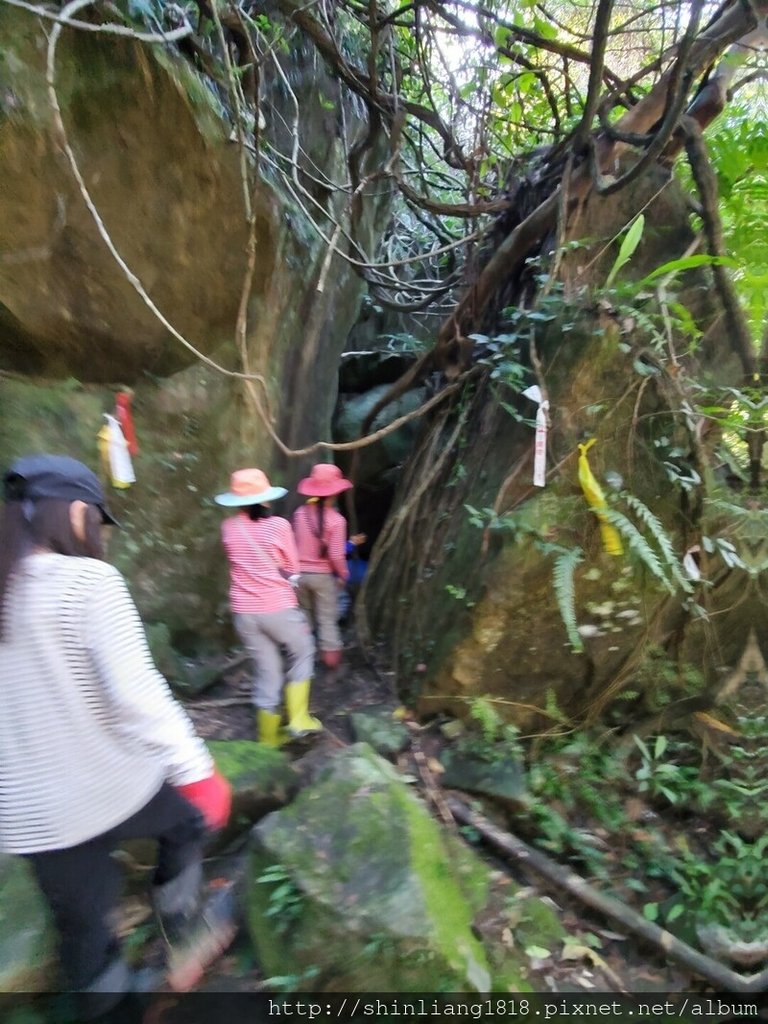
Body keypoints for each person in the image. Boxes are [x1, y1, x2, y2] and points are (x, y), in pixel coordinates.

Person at [0, 454, 234, 1018]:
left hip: (32, 818)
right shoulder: (88, 582)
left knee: (84, 940)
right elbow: (137, 694)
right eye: (98, 520)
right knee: (185, 822)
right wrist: (197, 770)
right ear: (78, 513)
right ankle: (181, 929)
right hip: (113, 787)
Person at [215, 468, 320, 746]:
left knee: (268, 670)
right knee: (303, 650)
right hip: (277, 607)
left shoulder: (228, 527)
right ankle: (298, 719)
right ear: (265, 499)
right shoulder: (279, 526)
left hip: (244, 613)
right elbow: (291, 567)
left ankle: (268, 739)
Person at [292, 463, 359, 670]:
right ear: (335, 492)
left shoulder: (299, 514)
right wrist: (343, 575)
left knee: (304, 615)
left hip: (299, 576)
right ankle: (331, 661)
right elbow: (336, 555)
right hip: (323, 577)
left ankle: (304, 657)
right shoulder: (337, 520)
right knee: (327, 619)